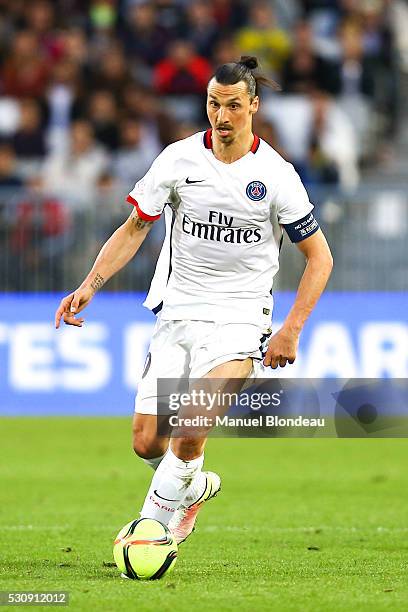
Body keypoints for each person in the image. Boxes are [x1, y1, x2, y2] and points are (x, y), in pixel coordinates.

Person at [55, 56, 333, 550]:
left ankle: (148, 534)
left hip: (241, 320)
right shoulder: (179, 160)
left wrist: (291, 328)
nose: (221, 117)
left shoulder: (277, 175)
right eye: (212, 104)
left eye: (232, 106)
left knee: (190, 427)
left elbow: (320, 259)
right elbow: (135, 227)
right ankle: (195, 485)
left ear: (253, 106)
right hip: (178, 312)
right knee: (148, 442)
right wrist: (89, 285)